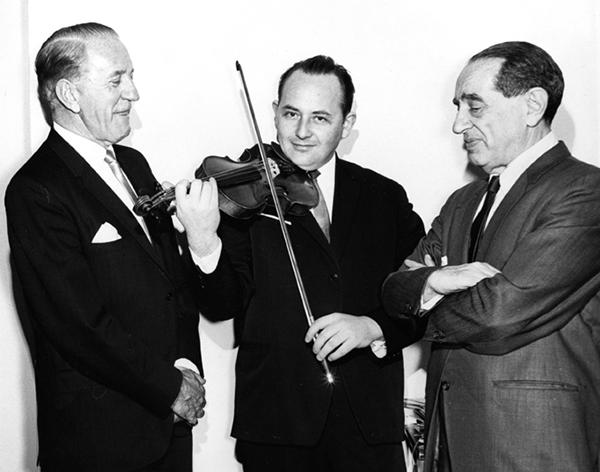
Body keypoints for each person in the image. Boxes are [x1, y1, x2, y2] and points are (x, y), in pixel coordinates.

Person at [194, 55, 425, 472]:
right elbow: (220, 303)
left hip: (369, 429)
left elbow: (424, 294)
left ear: (347, 124)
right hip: (277, 430)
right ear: (274, 114)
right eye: (291, 114)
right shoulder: (242, 190)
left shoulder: (384, 197)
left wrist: (373, 327)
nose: (301, 132)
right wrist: (202, 238)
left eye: (319, 118)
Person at [5, 22, 219, 471]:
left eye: (132, 76)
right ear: (69, 95)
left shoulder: (134, 164)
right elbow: (78, 323)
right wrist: (170, 387)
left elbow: (167, 287)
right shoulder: (35, 190)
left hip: (168, 428)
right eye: (117, 80)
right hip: (101, 442)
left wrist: (186, 370)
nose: (134, 93)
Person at [382, 41, 600, 472]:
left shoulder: (585, 192)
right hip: (450, 445)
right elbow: (393, 290)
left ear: (532, 105)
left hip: (534, 447)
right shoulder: (463, 201)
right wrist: (430, 283)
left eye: (474, 107)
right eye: (457, 106)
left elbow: (500, 312)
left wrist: (424, 297)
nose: (458, 123)